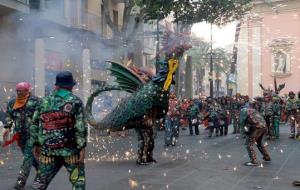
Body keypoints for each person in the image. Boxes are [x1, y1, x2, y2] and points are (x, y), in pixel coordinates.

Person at [30, 71, 87, 190]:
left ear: (56, 86)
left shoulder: (43, 101)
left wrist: (35, 144)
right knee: (78, 183)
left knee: (39, 183)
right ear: (71, 86)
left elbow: (34, 124)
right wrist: (82, 147)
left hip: (48, 152)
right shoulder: (75, 101)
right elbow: (80, 126)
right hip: (71, 152)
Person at [3, 82, 40, 190]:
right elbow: (9, 115)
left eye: (21, 90)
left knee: (27, 157)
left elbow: (42, 117)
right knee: (29, 156)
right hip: (20, 135)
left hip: (32, 134)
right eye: (17, 90)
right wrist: (8, 124)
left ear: (27, 90)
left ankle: (20, 182)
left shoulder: (36, 101)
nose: (19, 92)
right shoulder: (12, 103)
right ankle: (42, 172)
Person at [239, 101, 271, 166]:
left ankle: (253, 161)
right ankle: (266, 157)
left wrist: (244, 132)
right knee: (259, 143)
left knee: (249, 144)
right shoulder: (253, 110)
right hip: (263, 127)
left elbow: (242, 122)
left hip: (257, 128)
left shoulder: (243, 111)